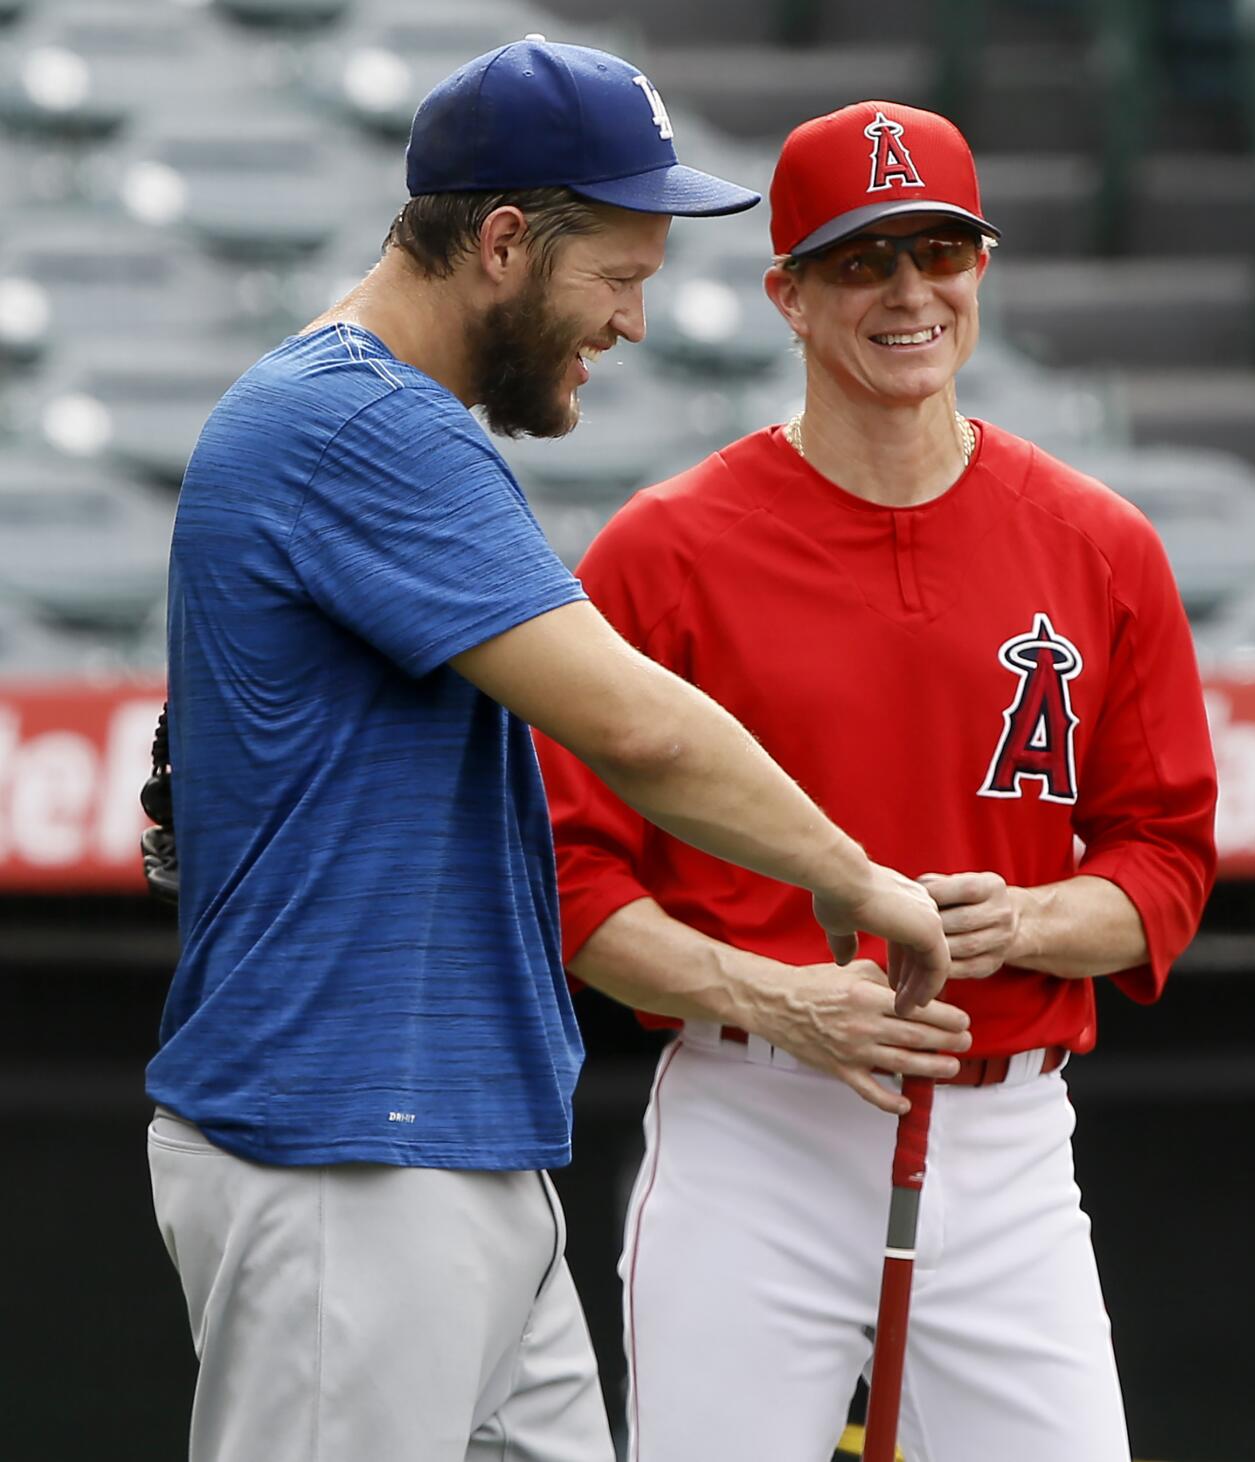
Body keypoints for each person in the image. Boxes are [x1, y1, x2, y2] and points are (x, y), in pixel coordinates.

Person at [145, 44, 951, 1462]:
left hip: (435, 1140)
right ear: (505, 242)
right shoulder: (358, 424)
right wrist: (853, 875)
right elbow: (635, 721)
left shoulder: (371, 423)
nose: (637, 321)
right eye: (619, 276)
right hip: (346, 1142)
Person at [535, 100, 1218, 1461]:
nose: (911, 291)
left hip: (1008, 1127)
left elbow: (1166, 867)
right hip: (756, 1119)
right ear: (787, 292)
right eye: (863, 259)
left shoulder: (1101, 544)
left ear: (983, 267)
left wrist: (1016, 921)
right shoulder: (662, 551)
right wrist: (780, 999)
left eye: (940, 251)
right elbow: (568, 878)